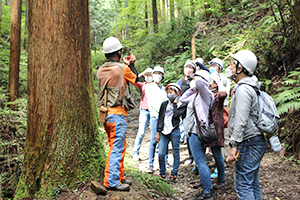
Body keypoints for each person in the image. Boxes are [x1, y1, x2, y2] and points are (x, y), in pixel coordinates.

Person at [97, 36, 138, 191]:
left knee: (117, 145)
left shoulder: (101, 70)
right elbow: (135, 79)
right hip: (117, 114)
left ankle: (119, 176)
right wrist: (131, 65)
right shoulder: (123, 69)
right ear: (118, 53)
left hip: (105, 114)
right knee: (116, 148)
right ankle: (112, 181)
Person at [226, 50, 267, 200]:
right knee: (252, 182)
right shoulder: (250, 87)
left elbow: (241, 120)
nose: (229, 67)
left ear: (240, 68)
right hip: (255, 142)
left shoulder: (243, 89)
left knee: (243, 185)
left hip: (248, 143)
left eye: (232, 64)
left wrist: (233, 145)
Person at [186, 70, 215, 200]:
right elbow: (182, 98)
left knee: (201, 162)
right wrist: (192, 89)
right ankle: (206, 188)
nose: (193, 80)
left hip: (197, 132)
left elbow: (199, 81)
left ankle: (208, 192)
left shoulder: (206, 95)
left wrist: (197, 78)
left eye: (195, 79)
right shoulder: (196, 96)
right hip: (192, 131)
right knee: (200, 161)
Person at [155, 83, 187, 182]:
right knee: (161, 153)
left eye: (171, 92)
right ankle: (162, 172)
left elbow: (177, 115)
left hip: (174, 131)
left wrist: (175, 103)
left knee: (176, 152)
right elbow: (160, 118)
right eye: (168, 92)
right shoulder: (164, 104)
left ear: (177, 93)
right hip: (164, 132)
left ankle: (174, 173)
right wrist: (158, 132)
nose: (169, 94)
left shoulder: (182, 105)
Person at [145, 66, 168, 173]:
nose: (157, 75)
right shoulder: (149, 87)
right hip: (155, 116)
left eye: (160, 73)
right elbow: (152, 103)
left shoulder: (164, 89)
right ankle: (150, 164)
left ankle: (164, 162)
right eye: (156, 73)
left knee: (165, 140)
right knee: (154, 140)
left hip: (164, 118)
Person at [132, 68, 154, 161]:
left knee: (154, 133)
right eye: (147, 75)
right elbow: (133, 80)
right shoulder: (142, 85)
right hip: (144, 110)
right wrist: (141, 73)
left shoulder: (156, 86)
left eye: (150, 74)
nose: (148, 76)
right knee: (141, 132)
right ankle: (135, 152)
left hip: (153, 111)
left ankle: (155, 153)